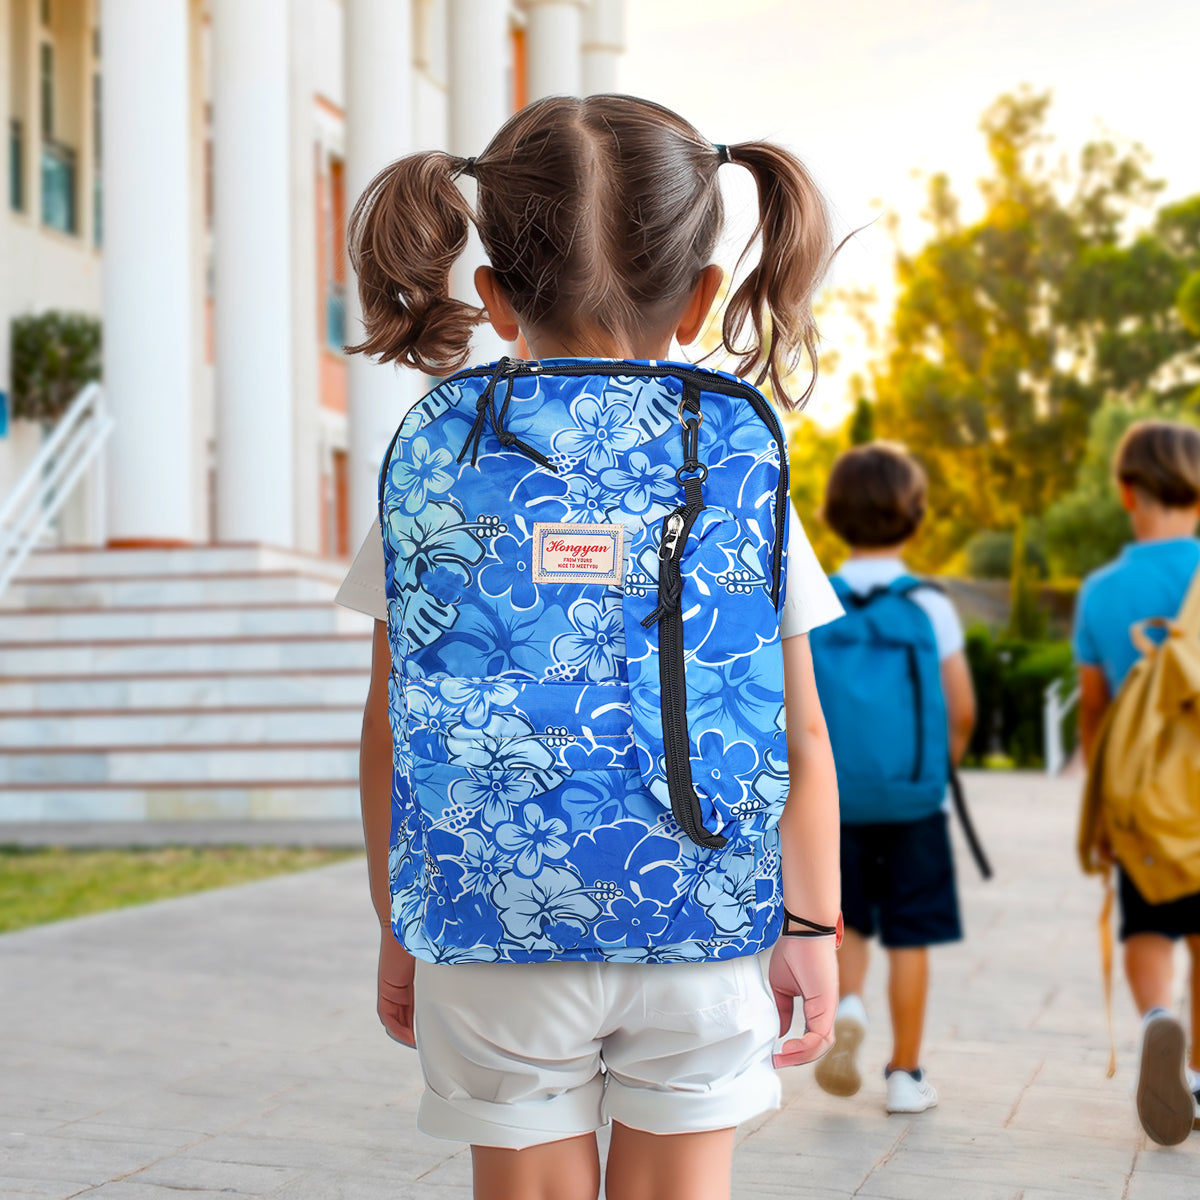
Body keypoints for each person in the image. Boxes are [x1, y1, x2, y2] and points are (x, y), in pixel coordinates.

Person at [333, 95, 844, 1200]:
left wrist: (401, 918)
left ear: (494, 300)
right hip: (701, 916)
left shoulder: (441, 464)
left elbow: (388, 727)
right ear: (703, 296)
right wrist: (811, 923)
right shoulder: (738, 472)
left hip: (485, 917)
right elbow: (797, 724)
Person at [809, 442, 976, 1115]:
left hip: (833, 803)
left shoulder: (816, 600)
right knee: (912, 936)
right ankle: (906, 1076)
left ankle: (848, 1004)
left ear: (832, 517)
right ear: (917, 517)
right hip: (911, 802)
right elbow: (960, 709)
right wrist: (935, 771)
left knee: (850, 923)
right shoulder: (930, 606)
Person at [1074, 419, 1200, 1145]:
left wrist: (1107, 799)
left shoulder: (1103, 592)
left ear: (1126, 491)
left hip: (1144, 792)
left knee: (1148, 926)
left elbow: (1094, 709)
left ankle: (1159, 1018)